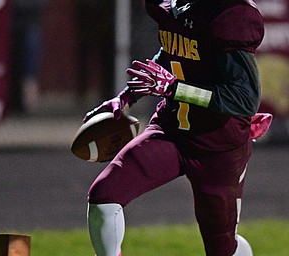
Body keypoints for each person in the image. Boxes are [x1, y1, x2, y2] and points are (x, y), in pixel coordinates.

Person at [83, 0, 273, 255]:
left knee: (223, 247)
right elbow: (172, 51)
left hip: (219, 146)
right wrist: (127, 97)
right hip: (171, 129)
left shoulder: (230, 14)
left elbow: (245, 99)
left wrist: (174, 89)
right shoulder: (171, 5)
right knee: (104, 196)